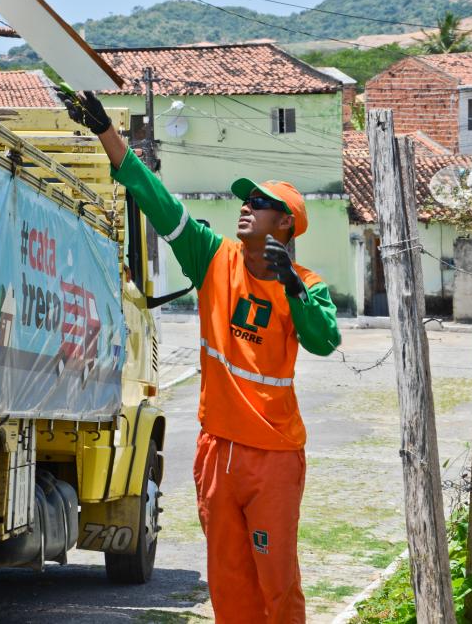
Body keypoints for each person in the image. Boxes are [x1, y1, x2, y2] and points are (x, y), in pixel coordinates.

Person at [59, 89, 341, 623]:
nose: (245, 207)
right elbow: (158, 201)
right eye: (245, 200)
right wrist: (106, 134)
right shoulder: (213, 257)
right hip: (218, 452)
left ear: (285, 223)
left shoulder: (306, 284)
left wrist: (292, 287)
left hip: (273, 457)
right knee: (228, 582)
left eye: (258, 203)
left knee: (277, 582)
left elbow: (325, 339)